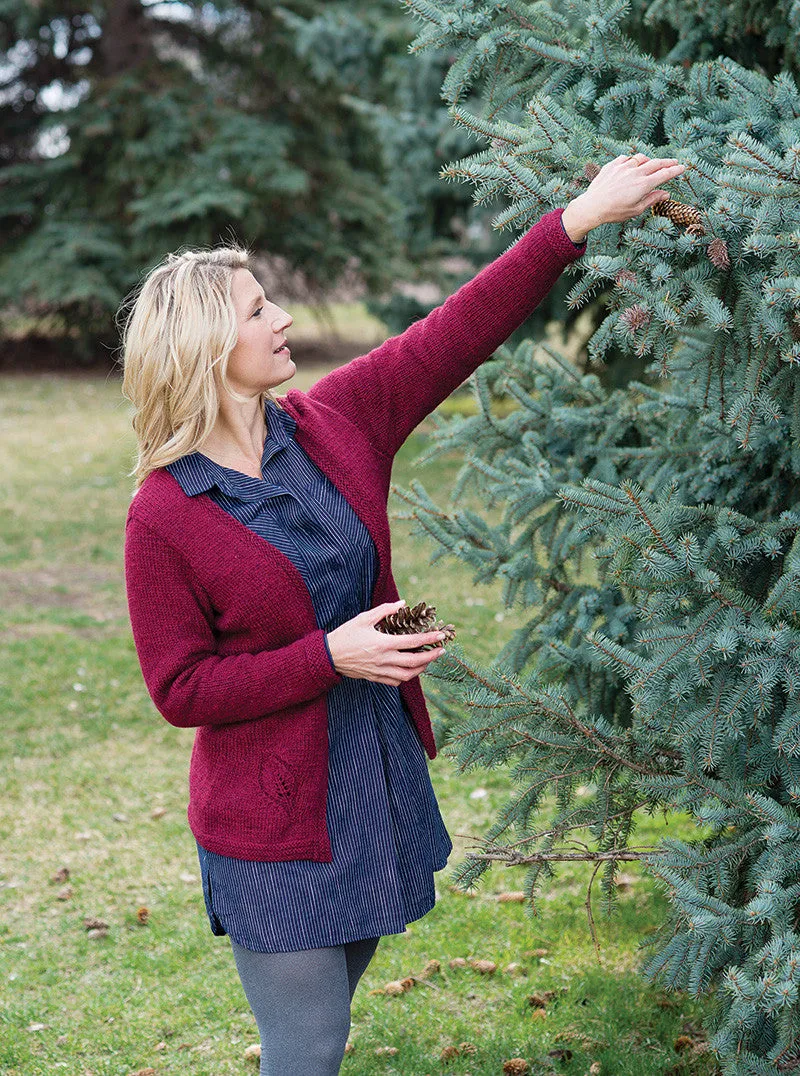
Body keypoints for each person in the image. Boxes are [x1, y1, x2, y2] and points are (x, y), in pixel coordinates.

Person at [120, 152, 685, 1075]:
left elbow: (453, 333)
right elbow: (181, 688)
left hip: (372, 787)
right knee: (305, 1051)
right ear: (203, 348)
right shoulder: (165, 516)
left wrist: (574, 222)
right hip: (273, 825)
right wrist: (328, 656)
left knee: (325, 1033)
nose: (285, 317)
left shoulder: (338, 423)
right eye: (259, 309)